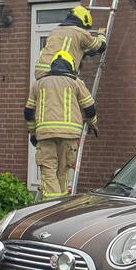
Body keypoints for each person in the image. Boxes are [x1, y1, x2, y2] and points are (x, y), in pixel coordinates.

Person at [25, 50, 98, 200]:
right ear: (71, 66)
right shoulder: (76, 82)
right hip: (70, 135)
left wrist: (33, 133)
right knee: (63, 171)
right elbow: (90, 108)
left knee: (49, 170)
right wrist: (92, 124)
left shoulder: (38, 83)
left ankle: (51, 204)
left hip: (45, 135)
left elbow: (28, 112)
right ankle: (60, 205)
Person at [34, 5, 107, 78]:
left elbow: (68, 48)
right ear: (83, 22)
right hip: (58, 70)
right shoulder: (80, 32)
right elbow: (101, 47)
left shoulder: (55, 31)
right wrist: (101, 34)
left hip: (40, 72)